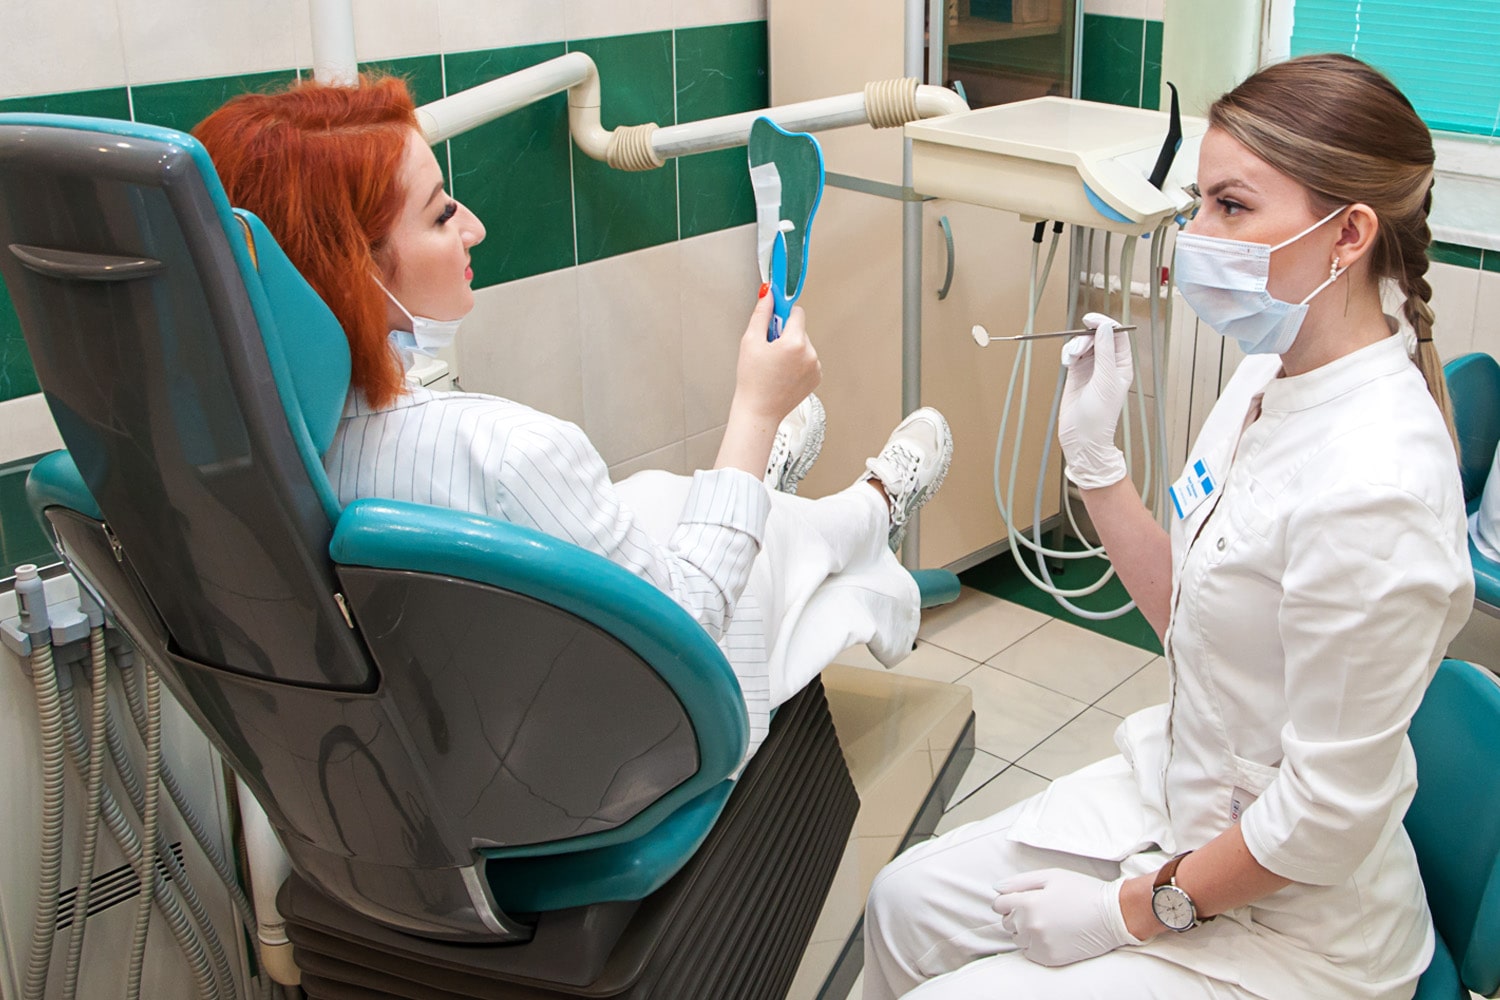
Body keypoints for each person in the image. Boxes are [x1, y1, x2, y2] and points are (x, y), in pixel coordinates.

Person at [863, 53, 1474, 1000]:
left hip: (1296, 925)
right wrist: (1096, 464)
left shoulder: (1378, 488)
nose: (1193, 237)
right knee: (903, 901)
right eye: (1197, 204)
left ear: (1348, 234)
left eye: (1230, 207)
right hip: (1189, 804)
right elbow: (1191, 617)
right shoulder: (1266, 376)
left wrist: (1124, 911)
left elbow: (1322, 819)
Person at [193, 75, 952, 761]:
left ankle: (765, 481)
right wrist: (757, 407)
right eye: (442, 214)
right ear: (349, 272)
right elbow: (689, 625)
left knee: (655, 493)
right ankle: (874, 504)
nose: (473, 227)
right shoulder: (512, 453)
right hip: (631, 743)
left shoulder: (243, 459)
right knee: (781, 543)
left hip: (463, 735)